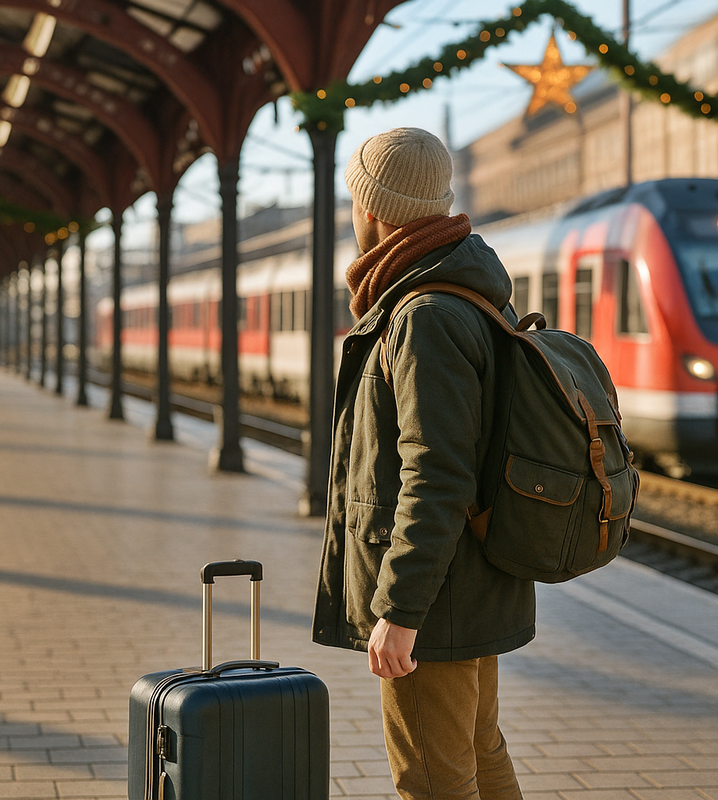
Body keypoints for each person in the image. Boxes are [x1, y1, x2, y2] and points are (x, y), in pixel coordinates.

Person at [312, 126, 534, 800]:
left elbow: (437, 476)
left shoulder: (423, 315)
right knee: (475, 750)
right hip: (468, 581)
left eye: (355, 200)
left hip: (434, 598)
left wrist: (401, 609)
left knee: (432, 781)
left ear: (373, 208)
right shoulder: (464, 293)